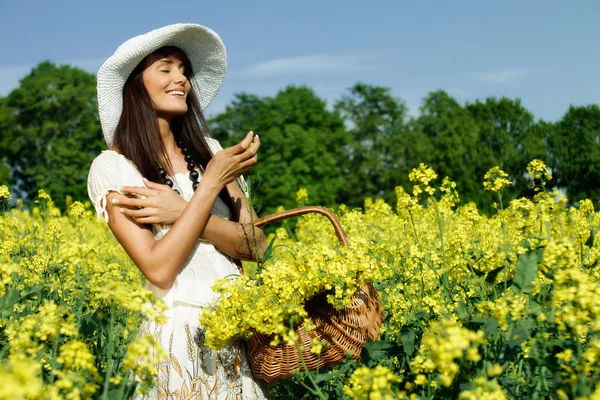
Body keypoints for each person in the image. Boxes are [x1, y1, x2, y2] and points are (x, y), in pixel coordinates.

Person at [87, 24, 267, 399]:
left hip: (239, 331)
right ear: (135, 86)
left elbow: (256, 246)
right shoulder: (114, 167)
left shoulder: (210, 154)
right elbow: (159, 268)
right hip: (178, 337)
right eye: (165, 68)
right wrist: (211, 187)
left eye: (184, 70)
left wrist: (183, 209)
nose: (181, 79)